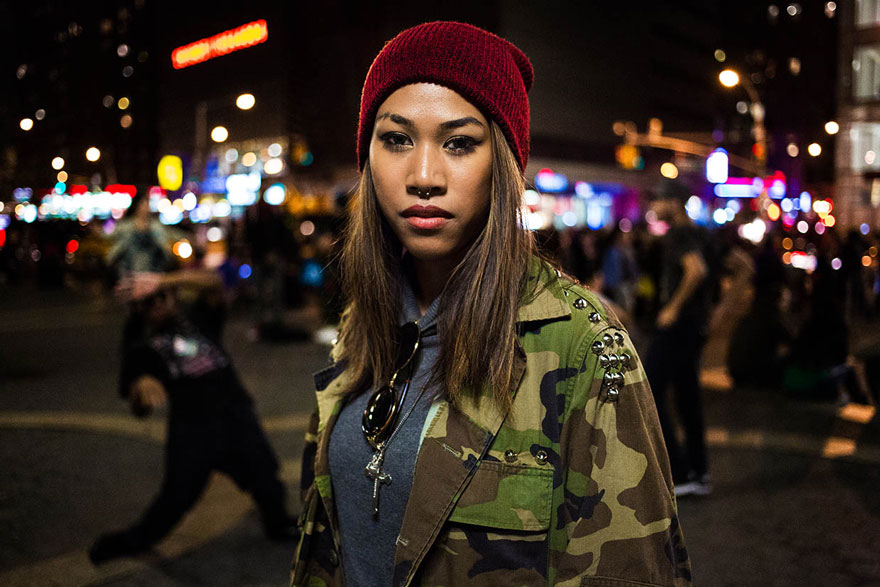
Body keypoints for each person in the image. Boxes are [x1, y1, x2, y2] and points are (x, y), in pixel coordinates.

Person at [290, 22, 690, 587]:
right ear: (367, 157)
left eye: (459, 142)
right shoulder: (364, 322)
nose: (423, 176)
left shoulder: (580, 346)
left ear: (502, 165)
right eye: (397, 138)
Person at [89, 269, 297, 563]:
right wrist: (141, 388)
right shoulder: (142, 343)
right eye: (150, 302)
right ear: (138, 309)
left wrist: (163, 280)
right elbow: (136, 397)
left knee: (264, 474)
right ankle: (126, 542)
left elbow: (213, 283)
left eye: (164, 297)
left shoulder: (196, 317)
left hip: (234, 412)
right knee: (175, 499)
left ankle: (279, 526)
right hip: (193, 431)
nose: (160, 304)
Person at [643, 180, 712, 498]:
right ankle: (698, 472)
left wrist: (672, 308)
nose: (654, 207)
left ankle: (680, 471)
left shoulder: (679, 234)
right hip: (693, 327)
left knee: (649, 390)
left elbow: (695, 271)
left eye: (658, 201)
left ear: (673, 202)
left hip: (678, 327)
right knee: (688, 398)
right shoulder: (698, 232)